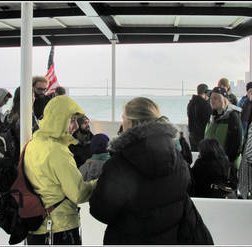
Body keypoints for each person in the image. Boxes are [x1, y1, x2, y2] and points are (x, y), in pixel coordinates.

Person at [89, 97, 213, 244]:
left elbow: (100, 211)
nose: (122, 123)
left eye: (123, 118)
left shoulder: (119, 165)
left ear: (131, 121)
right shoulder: (177, 159)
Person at [24, 95, 97, 245]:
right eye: (71, 120)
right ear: (58, 119)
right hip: (59, 228)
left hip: (35, 225)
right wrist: (101, 182)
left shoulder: (32, 144)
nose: (76, 126)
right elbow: (78, 193)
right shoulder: (57, 151)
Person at [204, 87, 243, 190]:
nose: (212, 101)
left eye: (216, 98)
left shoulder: (233, 116)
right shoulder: (213, 116)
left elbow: (237, 144)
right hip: (213, 164)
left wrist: (226, 162)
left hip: (227, 166)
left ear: (224, 99)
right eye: (211, 98)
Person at [187, 83, 212, 151]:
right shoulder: (205, 105)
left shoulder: (191, 103)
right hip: (202, 135)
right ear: (205, 92)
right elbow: (208, 120)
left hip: (192, 134)